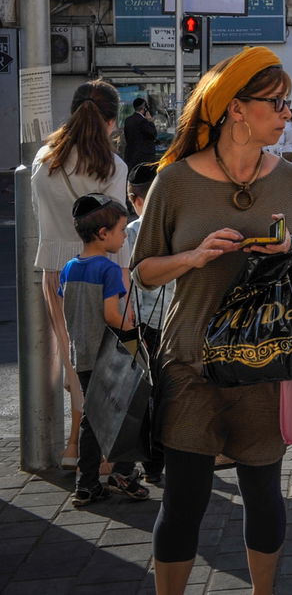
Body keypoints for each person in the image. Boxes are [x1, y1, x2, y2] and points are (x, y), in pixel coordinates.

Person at [132, 46, 292, 594]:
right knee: (184, 499)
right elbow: (144, 271)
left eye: (287, 104)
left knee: (264, 491)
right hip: (190, 360)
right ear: (236, 110)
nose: (287, 114)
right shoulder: (173, 182)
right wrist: (194, 256)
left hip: (268, 361)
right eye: (278, 103)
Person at [32, 80, 130, 470]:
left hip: (56, 271)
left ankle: (74, 445)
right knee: (102, 364)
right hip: (100, 271)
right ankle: (99, 453)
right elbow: (117, 234)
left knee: (74, 360)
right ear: (111, 121)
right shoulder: (111, 165)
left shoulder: (44, 159)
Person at [62, 193, 148, 507]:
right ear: (103, 234)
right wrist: (131, 327)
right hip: (108, 355)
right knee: (123, 415)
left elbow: (69, 306)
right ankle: (123, 475)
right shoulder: (108, 270)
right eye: (121, 231)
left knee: (91, 420)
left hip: (81, 354)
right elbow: (112, 315)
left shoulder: (70, 267)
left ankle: (85, 485)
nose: (124, 236)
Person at [124, 161, 166, 485]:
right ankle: (164, 458)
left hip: (142, 326)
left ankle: (149, 463)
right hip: (175, 322)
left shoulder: (130, 233)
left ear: (133, 198)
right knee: (168, 393)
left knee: (143, 393)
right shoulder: (175, 226)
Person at [123, 97, 159, 169]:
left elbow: (127, 137)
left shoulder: (128, 120)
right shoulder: (143, 121)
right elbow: (153, 134)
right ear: (144, 108)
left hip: (130, 156)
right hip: (143, 158)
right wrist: (150, 121)